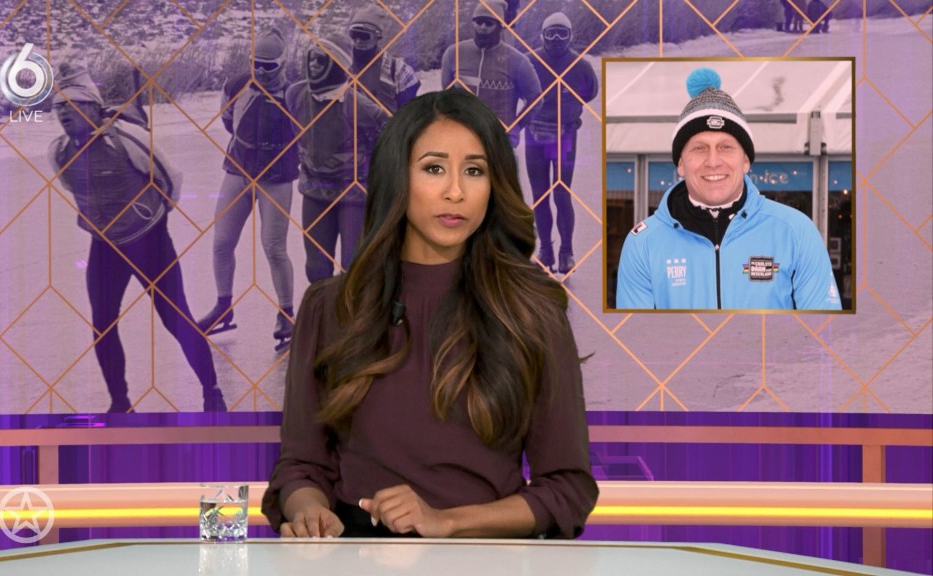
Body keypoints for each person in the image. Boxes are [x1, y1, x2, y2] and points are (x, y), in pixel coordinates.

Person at [262, 89, 598, 539]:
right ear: (398, 177)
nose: (455, 191)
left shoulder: (530, 311)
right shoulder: (330, 307)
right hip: (355, 558)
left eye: (474, 171)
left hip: (483, 560)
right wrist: (308, 511)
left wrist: (446, 522)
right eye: (434, 168)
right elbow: (301, 467)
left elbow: (568, 489)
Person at [48, 64, 227, 412]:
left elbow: (169, 179)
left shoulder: (128, 139)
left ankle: (212, 392)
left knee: (176, 318)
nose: (65, 114)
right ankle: (120, 403)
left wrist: (152, 219)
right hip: (105, 247)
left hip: (149, 242)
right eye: (59, 108)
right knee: (102, 325)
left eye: (73, 105)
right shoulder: (59, 152)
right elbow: (72, 187)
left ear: (93, 106)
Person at [615, 68, 842, 310]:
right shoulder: (643, 243)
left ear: (745, 161)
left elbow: (823, 328)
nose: (713, 161)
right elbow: (633, 332)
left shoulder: (796, 231)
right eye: (699, 148)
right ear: (680, 164)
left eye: (726, 147)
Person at [196, 28, 299, 351]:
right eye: (256, 64)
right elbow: (229, 121)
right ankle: (223, 306)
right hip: (238, 171)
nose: (262, 72)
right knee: (222, 242)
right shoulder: (236, 86)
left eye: (270, 66)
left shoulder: (294, 94)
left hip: (276, 179)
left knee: (274, 247)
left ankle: (287, 314)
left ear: (283, 65)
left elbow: (304, 133)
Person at [286, 33, 387, 284]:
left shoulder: (360, 106)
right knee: (316, 269)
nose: (313, 65)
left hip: (353, 196)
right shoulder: (295, 94)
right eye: (311, 58)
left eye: (322, 61)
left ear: (338, 66)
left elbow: (392, 138)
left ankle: (353, 310)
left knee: (353, 267)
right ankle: (322, 309)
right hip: (314, 191)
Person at [524, 12, 598, 274]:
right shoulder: (529, 62)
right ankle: (546, 251)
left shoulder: (581, 66)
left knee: (561, 193)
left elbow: (589, 92)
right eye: (551, 33)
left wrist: (568, 113)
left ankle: (567, 252)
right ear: (542, 35)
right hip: (534, 136)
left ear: (570, 36)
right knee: (540, 195)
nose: (556, 38)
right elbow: (517, 89)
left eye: (562, 33)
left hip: (564, 137)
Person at [440, 0, 542, 148]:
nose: (482, 27)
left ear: (500, 26)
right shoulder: (453, 54)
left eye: (489, 23)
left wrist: (516, 126)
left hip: (499, 144)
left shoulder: (517, 61)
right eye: (478, 22)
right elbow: (447, 96)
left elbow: (536, 99)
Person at [348, 5, 421, 113]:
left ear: (378, 36)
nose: (358, 41)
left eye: (364, 36)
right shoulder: (341, 64)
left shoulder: (398, 70)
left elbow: (408, 115)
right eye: (354, 35)